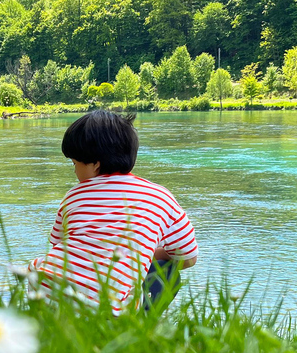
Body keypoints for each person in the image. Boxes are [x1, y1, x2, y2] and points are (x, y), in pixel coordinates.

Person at [28, 111, 197, 315]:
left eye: (74, 164)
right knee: (168, 269)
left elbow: (59, 245)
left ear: (96, 165)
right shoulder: (160, 196)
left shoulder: (73, 196)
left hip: (45, 293)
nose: (74, 172)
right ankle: (142, 329)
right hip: (106, 311)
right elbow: (188, 257)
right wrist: (141, 253)